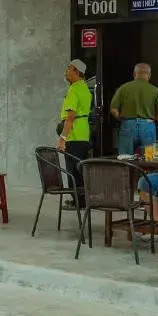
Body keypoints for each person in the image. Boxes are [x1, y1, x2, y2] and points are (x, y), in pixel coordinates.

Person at [58, 59, 93, 208]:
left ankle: (78, 201)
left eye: (69, 69)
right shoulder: (85, 88)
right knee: (80, 169)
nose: (66, 72)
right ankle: (82, 200)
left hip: (74, 135)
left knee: (72, 169)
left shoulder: (74, 90)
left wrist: (63, 138)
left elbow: (70, 117)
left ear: (77, 72)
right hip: (83, 133)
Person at [110, 63, 158, 155]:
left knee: (125, 158)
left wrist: (122, 119)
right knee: (149, 158)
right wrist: (153, 120)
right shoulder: (155, 90)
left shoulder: (123, 88)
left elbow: (113, 110)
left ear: (134, 74)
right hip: (148, 126)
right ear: (149, 75)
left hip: (128, 125)